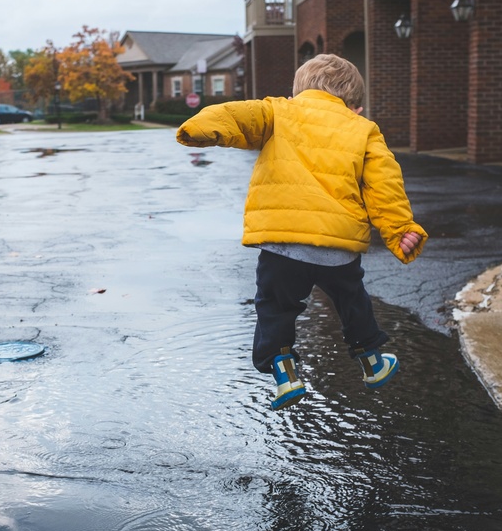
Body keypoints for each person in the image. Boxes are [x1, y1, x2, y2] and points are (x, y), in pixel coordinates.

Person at [176, 54, 427, 411]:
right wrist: (400, 229)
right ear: (354, 103)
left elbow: (236, 115)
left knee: (276, 306)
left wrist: (199, 128)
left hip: (282, 244)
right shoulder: (363, 129)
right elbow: (384, 185)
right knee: (352, 299)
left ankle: (285, 372)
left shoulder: (279, 111)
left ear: (298, 91)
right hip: (336, 247)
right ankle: (372, 361)